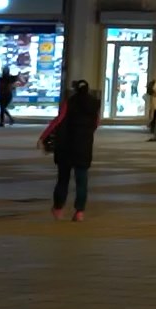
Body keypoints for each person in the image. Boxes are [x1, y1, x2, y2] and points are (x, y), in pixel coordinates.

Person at [41, 80, 101, 221]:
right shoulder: (94, 104)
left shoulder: (69, 102)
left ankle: (58, 209)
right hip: (84, 147)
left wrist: (43, 136)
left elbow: (58, 120)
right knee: (82, 181)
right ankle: (79, 212)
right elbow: (96, 123)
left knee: (63, 179)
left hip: (66, 146)